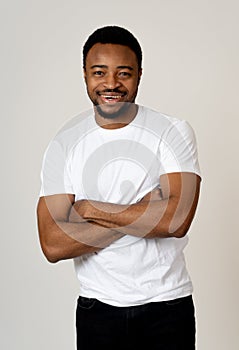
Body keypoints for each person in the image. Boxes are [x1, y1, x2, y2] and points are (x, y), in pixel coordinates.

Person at [37, 25, 201, 350]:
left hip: (167, 307)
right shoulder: (64, 144)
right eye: (99, 72)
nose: (111, 84)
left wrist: (86, 210)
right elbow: (52, 244)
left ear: (139, 74)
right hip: (97, 310)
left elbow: (175, 221)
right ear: (85, 74)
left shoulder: (172, 131)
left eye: (123, 73)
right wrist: (146, 210)